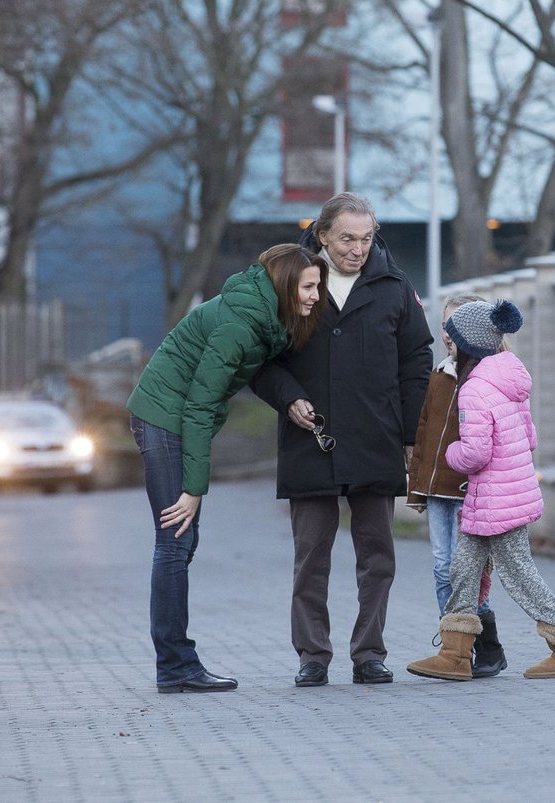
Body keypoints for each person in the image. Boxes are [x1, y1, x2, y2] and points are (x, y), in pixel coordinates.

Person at [127, 243, 327, 694]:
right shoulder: (239, 323)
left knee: (181, 541)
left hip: (173, 416)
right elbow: (199, 406)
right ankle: (176, 666)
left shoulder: (262, 314)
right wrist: (194, 489)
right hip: (165, 417)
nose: (316, 296)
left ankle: (176, 661)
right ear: (284, 285)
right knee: (174, 541)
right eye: (309, 287)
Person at [251, 192, 433, 688]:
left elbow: (417, 359)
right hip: (311, 438)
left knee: (378, 556)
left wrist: (411, 432)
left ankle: (369, 653)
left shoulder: (395, 287)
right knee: (311, 556)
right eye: (348, 238)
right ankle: (313, 655)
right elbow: (262, 359)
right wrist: (287, 397)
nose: (358, 249)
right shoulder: (293, 282)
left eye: (367, 238)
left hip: (376, 436)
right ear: (323, 235)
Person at [407, 299, 555, 681]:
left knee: (517, 574)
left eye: (454, 337)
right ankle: (455, 653)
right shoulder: (509, 379)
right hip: (503, 492)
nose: (449, 343)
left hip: (496, 498)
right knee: (462, 569)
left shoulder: (474, 389)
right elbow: (530, 436)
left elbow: (474, 454)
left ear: (467, 344)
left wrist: (451, 453)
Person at [406, 291, 505, 677]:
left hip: (470, 492)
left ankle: (486, 648)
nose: (449, 334)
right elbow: (425, 430)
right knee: (441, 568)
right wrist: (417, 486)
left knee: (469, 573)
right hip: (436, 493)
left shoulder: (488, 378)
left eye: (457, 326)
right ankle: (455, 649)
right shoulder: (440, 374)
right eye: (445, 325)